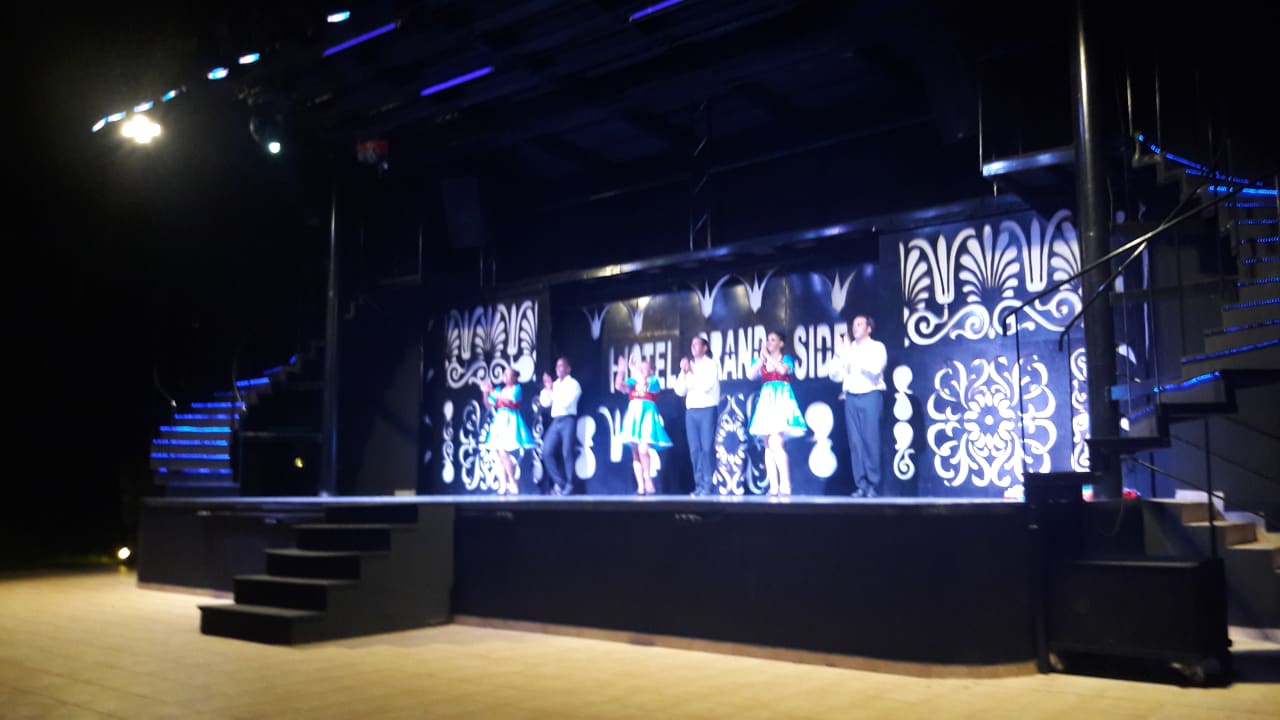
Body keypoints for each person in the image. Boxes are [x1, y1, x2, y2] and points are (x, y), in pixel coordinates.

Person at [829, 314, 887, 498]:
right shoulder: (847, 349)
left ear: (869, 329)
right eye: (854, 325)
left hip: (870, 395)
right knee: (855, 443)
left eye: (860, 324)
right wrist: (839, 355)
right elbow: (834, 374)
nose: (855, 328)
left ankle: (873, 484)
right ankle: (861, 484)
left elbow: (875, 369)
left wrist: (850, 353)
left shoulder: (877, 347)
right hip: (851, 398)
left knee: (870, 440)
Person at [746, 330, 808, 496]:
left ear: (781, 343)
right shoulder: (762, 360)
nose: (769, 343)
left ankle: (785, 484)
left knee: (776, 443)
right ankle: (774, 486)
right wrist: (762, 358)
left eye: (773, 340)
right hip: (767, 402)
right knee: (767, 444)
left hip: (781, 400)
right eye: (768, 340)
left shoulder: (786, 359)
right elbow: (750, 375)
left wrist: (769, 357)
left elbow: (782, 371)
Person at [614, 354, 673, 495]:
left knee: (643, 449)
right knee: (635, 452)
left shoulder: (653, 381)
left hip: (647, 415)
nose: (640, 371)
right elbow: (618, 386)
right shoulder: (633, 382)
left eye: (644, 369)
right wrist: (621, 370)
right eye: (639, 368)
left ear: (651, 371)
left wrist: (632, 367)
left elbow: (644, 383)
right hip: (634, 416)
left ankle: (647, 477)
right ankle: (640, 487)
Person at [673, 335, 720, 497]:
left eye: (696, 344)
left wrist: (691, 373)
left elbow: (706, 386)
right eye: (691, 344)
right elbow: (679, 390)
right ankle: (699, 485)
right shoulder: (689, 366)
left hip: (707, 409)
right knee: (694, 450)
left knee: (706, 448)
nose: (693, 347)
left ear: (705, 348)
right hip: (691, 411)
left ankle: (708, 485)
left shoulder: (710, 364)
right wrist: (683, 372)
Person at [479, 367, 536, 495]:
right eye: (504, 374)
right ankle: (503, 484)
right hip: (499, 421)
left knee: (503, 451)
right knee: (496, 454)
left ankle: (512, 481)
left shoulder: (517, 389)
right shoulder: (499, 389)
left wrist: (492, 391)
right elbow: (488, 405)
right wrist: (485, 392)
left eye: (508, 374)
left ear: (514, 377)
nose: (505, 376)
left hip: (511, 421)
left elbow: (509, 401)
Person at [538, 356, 582, 496]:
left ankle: (570, 483)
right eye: (557, 366)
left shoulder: (573, 384)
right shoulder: (554, 385)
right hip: (556, 420)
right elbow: (545, 402)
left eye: (561, 366)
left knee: (567, 452)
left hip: (568, 419)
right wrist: (548, 389)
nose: (558, 369)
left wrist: (551, 391)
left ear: (568, 369)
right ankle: (561, 483)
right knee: (546, 451)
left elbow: (565, 403)